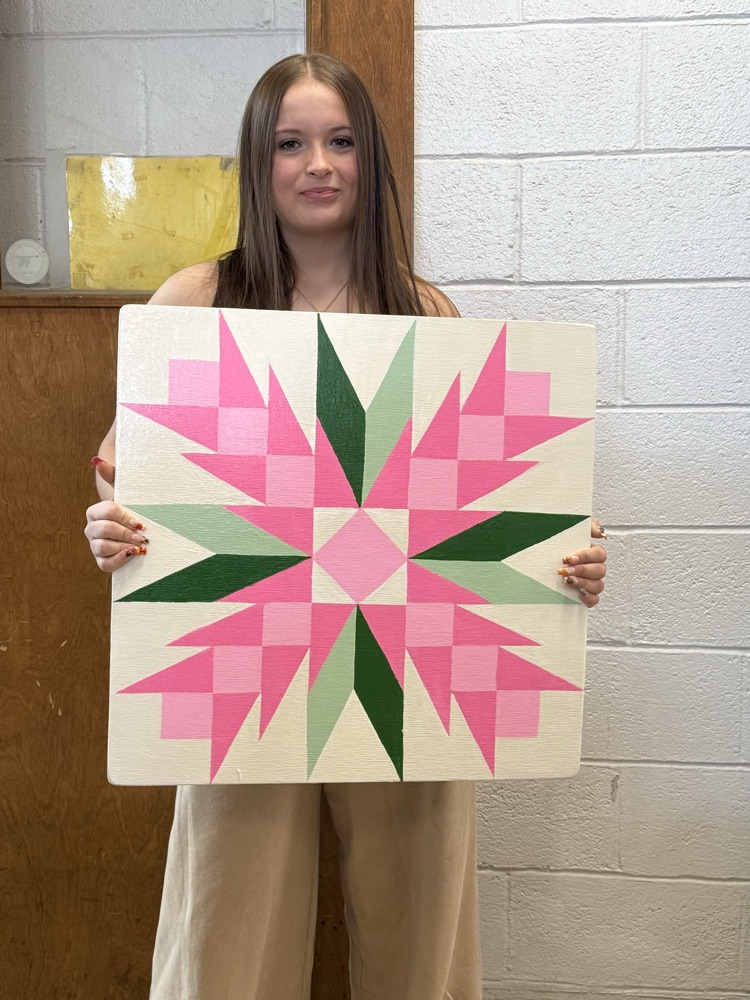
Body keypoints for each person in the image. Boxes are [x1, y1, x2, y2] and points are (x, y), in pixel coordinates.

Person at [84, 53, 607, 1000]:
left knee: (423, 946)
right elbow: (130, 479)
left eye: (341, 140)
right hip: (244, 661)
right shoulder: (196, 304)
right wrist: (111, 533)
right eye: (290, 143)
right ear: (258, 161)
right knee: (223, 940)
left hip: (418, 665)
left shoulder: (426, 314)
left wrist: (560, 561)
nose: (317, 163)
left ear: (372, 160)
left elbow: (495, 505)